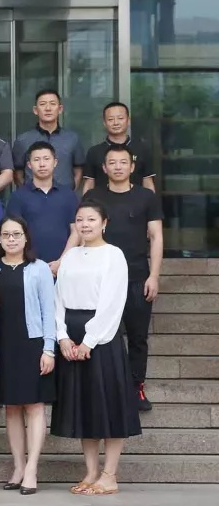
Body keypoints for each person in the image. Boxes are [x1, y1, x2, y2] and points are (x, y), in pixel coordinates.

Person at [51, 201, 142, 496]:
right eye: (80, 219)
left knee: (109, 404)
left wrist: (89, 340)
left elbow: (112, 302)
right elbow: (58, 298)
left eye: (91, 219)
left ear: (104, 223)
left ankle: (109, 474)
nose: (85, 224)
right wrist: (62, 336)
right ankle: (90, 472)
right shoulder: (70, 256)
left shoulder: (113, 255)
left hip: (102, 336)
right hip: (71, 333)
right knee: (84, 406)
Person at [82, 144, 164, 410]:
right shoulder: (94, 196)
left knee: (138, 337)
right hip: (99, 280)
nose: (118, 167)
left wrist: (154, 275)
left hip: (137, 277)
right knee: (100, 334)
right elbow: (82, 233)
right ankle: (104, 388)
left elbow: (156, 237)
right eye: (112, 163)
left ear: (132, 167)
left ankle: (136, 388)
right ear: (104, 168)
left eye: (123, 162)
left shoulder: (146, 197)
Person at [0, 216, 57, 495]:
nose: (11, 239)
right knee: (11, 408)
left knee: (35, 406)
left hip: (32, 343)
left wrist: (49, 349)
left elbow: (49, 311)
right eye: (6, 235)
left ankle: (32, 469)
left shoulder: (39, 269)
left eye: (16, 234)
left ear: (26, 237)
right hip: (2, 344)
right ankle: (18, 467)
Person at [5, 141, 79, 275]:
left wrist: (62, 261)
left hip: (63, 267)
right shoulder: (18, 196)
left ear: (55, 162)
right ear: (29, 165)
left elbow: (76, 231)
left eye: (46, 159)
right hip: (28, 267)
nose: (42, 164)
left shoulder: (68, 195)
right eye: (36, 160)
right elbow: (13, 234)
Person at [12, 89, 86, 190]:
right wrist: (27, 193)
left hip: (64, 196)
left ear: (60, 109)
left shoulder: (72, 139)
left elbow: (78, 170)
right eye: (43, 104)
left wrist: (70, 193)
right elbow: (17, 172)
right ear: (35, 110)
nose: (48, 108)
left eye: (52, 104)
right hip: (32, 197)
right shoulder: (23, 140)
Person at [82, 101, 156, 193]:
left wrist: (151, 201)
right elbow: (89, 183)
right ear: (104, 123)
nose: (116, 123)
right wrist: (86, 201)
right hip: (102, 200)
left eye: (120, 118)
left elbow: (148, 182)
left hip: (136, 201)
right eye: (110, 119)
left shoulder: (142, 149)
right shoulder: (94, 152)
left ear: (128, 120)